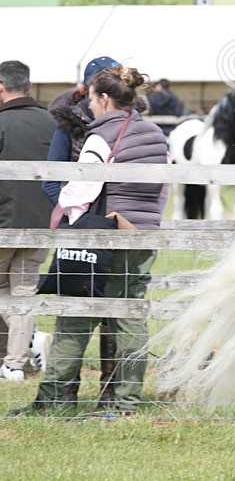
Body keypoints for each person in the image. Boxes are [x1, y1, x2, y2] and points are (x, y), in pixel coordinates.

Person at [12, 66, 169, 417]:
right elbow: (164, 186)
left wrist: (62, 214)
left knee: (75, 314)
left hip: (104, 234)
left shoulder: (99, 138)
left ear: (103, 98)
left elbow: (79, 192)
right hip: (142, 234)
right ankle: (126, 402)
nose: (90, 106)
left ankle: (52, 399)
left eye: (93, 99)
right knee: (130, 318)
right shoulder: (156, 133)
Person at [40, 55, 122, 401]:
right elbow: (51, 178)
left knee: (115, 310)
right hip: (81, 223)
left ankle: (109, 389)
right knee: (74, 303)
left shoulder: (129, 124)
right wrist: (74, 214)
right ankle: (65, 389)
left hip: (116, 226)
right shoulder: (68, 126)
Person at [0, 61, 56, 383]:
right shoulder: (50, 123)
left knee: (12, 292)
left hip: (5, 222)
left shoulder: (1, 123)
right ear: (29, 86)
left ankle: (28, 347)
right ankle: (16, 364)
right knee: (22, 291)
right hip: (41, 223)